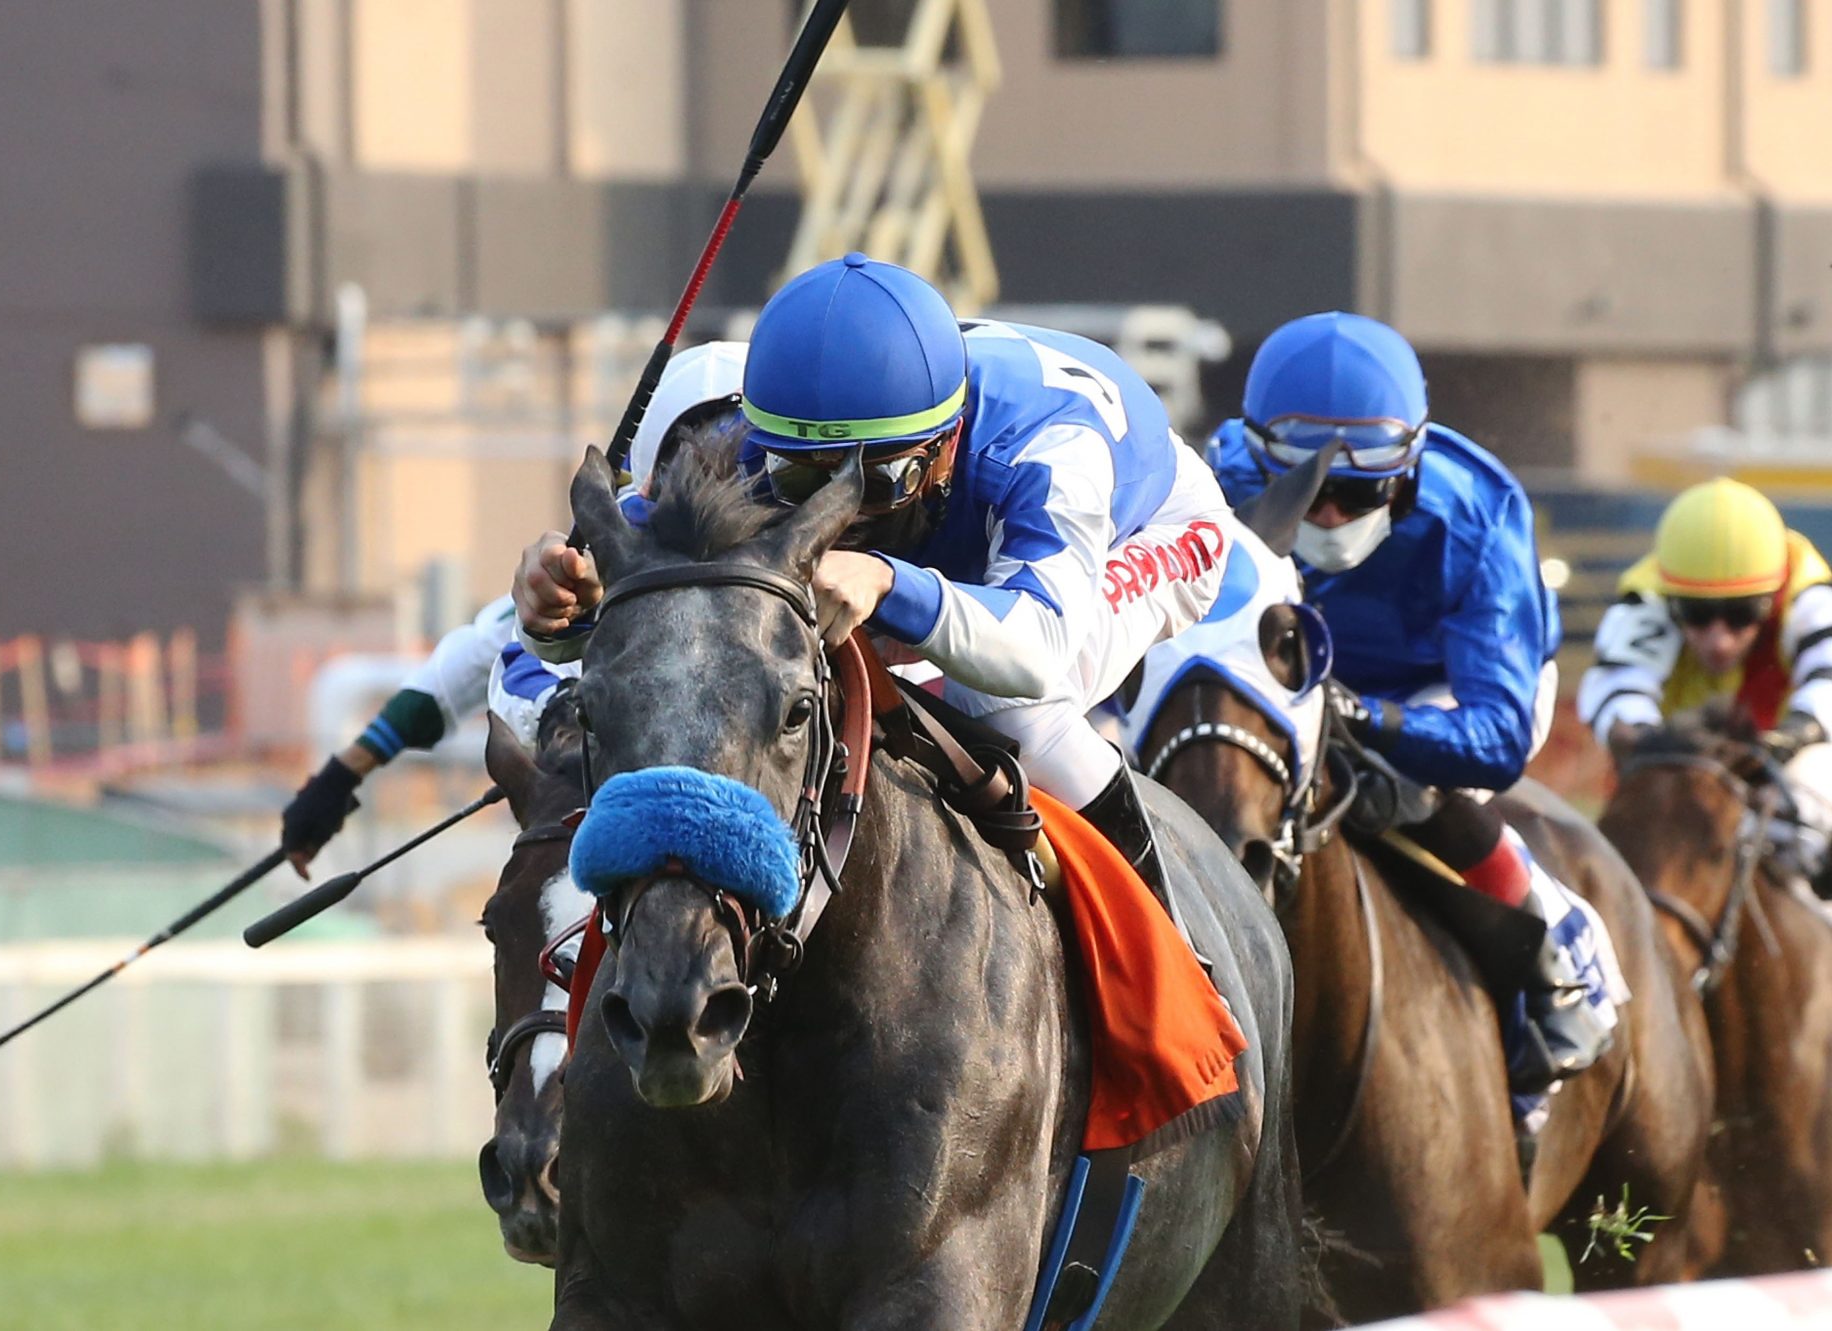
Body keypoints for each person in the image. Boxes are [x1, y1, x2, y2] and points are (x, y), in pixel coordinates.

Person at [513, 253, 1243, 890]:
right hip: (947, 544)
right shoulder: (757, 449)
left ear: (949, 442)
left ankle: (1172, 950)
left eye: (879, 478)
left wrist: (889, 580)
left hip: (1150, 534)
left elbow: (1035, 649)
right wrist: (561, 607)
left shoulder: (1048, 453)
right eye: (807, 480)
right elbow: (641, 584)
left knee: (998, 703)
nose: (844, 506)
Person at [1206, 311, 1616, 1094]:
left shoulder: (1477, 515)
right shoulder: (1215, 483)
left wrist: (1366, 719)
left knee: (1411, 785)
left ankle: (1555, 952)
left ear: (1410, 469)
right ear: (1261, 462)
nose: (1329, 516)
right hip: (1291, 658)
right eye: (1308, 490)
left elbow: (1494, 735)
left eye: (1360, 492)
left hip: (1445, 684)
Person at [279, 342, 748, 876]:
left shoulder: (834, 558)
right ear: (646, 485)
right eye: (696, 460)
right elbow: (493, 652)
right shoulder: (608, 553)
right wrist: (340, 777)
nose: (720, 487)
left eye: (742, 458)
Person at [1578, 477, 1832, 878]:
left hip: (1783, 767)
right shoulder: (1648, 598)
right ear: (1672, 596)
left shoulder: (1809, 598)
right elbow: (1615, 692)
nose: (1719, 641)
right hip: (1682, 768)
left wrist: (1793, 735)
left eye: (1741, 613)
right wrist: (1649, 742)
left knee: (1816, 774)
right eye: (1696, 613)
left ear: (1774, 592)